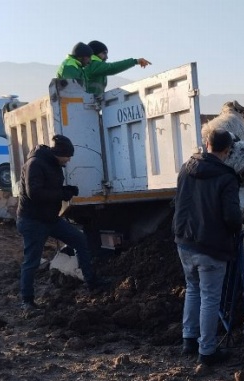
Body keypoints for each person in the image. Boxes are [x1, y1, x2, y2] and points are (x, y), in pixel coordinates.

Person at [173, 128, 242, 366]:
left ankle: (188, 340)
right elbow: (232, 216)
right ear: (227, 150)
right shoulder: (226, 177)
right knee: (210, 298)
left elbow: (179, 201)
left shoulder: (186, 168)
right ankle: (208, 351)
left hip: (185, 241)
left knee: (192, 289)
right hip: (211, 245)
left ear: (206, 143)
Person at [16, 135, 105, 310]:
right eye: (68, 156)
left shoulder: (53, 164)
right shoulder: (35, 164)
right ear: (59, 153)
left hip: (50, 219)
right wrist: (61, 194)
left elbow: (49, 188)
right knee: (31, 261)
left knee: (79, 240)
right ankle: (27, 300)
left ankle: (92, 282)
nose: (69, 160)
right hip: (32, 221)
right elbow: (34, 193)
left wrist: (66, 190)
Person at [84, 40, 152, 96]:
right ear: (95, 53)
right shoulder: (92, 65)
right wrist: (135, 61)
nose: (106, 57)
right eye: (104, 53)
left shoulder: (94, 66)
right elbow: (112, 68)